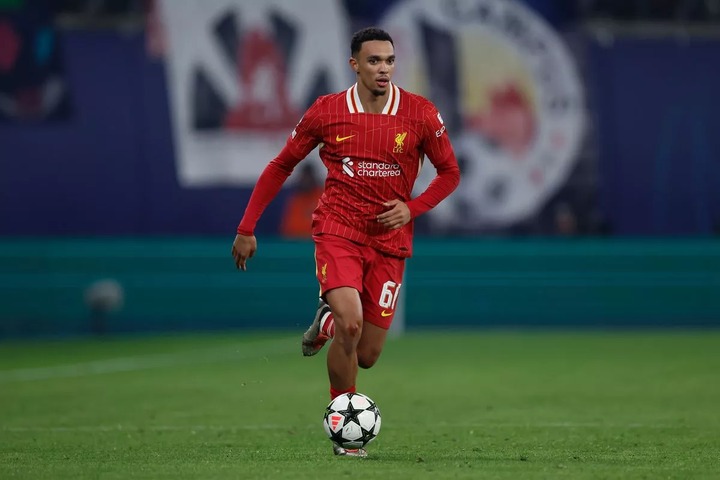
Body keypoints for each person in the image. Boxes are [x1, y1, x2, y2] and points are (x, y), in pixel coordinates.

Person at [231, 27, 460, 457]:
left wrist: (412, 208)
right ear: (354, 64)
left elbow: (450, 173)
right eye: (374, 61)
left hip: (390, 241)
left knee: (368, 352)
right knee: (352, 324)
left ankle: (329, 322)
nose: (383, 69)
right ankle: (345, 433)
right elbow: (281, 165)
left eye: (389, 60)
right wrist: (247, 227)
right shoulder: (328, 111)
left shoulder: (420, 113)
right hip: (339, 230)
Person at [279, 163, 324, 238]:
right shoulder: (296, 199)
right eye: (304, 177)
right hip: (298, 243)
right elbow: (288, 229)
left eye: (308, 177)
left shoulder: (323, 196)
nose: (306, 181)